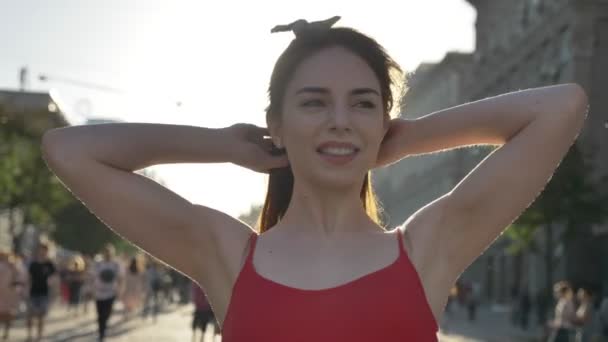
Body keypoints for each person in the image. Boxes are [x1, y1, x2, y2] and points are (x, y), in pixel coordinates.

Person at [40, 16, 589, 341]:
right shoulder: (227, 253)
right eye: (313, 103)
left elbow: (563, 106)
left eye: (362, 103)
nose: (339, 120)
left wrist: (404, 137)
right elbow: (69, 149)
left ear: (382, 119)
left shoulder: (429, 248)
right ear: (276, 123)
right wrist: (228, 146)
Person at [26, 242, 57, 342]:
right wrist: (26, 290)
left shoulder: (50, 264)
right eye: (41, 249)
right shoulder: (33, 263)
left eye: (44, 250)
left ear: (47, 251)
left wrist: (54, 291)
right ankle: (29, 335)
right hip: (33, 292)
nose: (42, 251)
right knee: (30, 315)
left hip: (44, 293)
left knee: (41, 317)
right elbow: (29, 278)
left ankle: (39, 337)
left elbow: (55, 278)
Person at [92, 245, 122, 341]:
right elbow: (93, 277)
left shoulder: (115, 265)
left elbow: (120, 278)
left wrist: (120, 290)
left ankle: (103, 328)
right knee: (100, 314)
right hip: (99, 293)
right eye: (106, 252)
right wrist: (91, 289)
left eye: (109, 252)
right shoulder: (98, 264)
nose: (107, 254)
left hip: (110, 293)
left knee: (107, 313)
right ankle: (101, 333)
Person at [0, 250, 19, 341]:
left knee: (8, 313)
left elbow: (17, 277)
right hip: (2, 293)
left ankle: (6, 332)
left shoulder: (13, 266)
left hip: (9, 292)